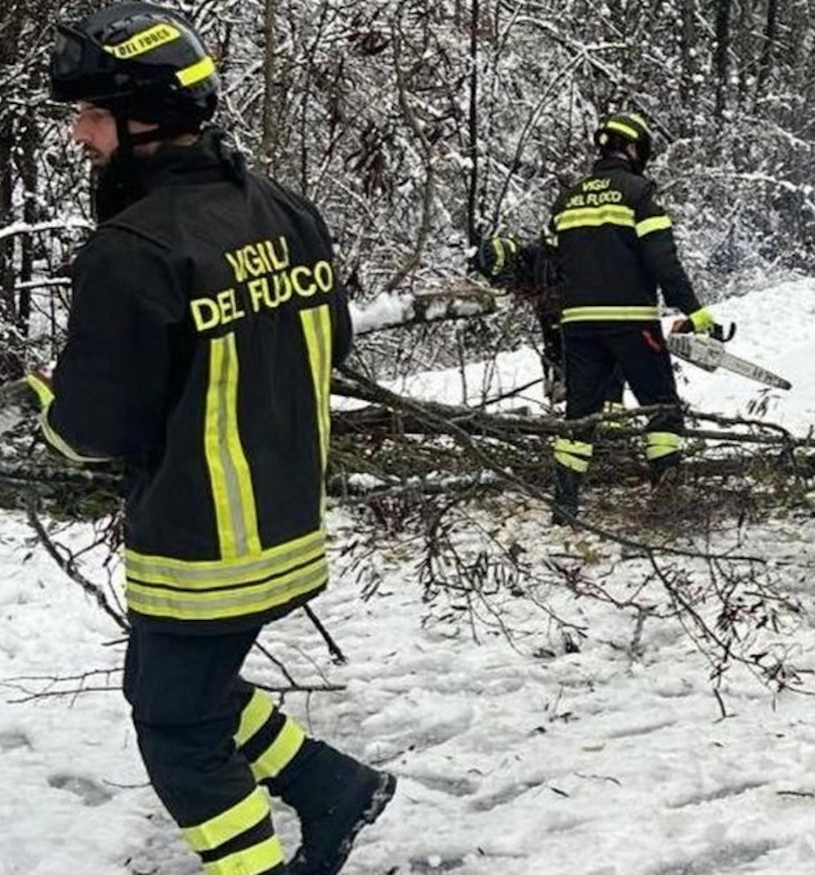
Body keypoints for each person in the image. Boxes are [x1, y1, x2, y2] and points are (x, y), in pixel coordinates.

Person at [33, 5, 396, 874]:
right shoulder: (284, 208)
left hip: (201, 546)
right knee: (182, 691)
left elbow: (93, 429)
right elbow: (329, 344)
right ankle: (331, 784)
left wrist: (45, 404)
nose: (78, 135)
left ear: (143, 118)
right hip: (283, 523)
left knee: (173, 726)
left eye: (90, 115)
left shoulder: (131, 249)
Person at [543, 110, 718, 525]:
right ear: (635, 148)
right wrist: (694, 311)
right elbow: (662, 259)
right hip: (631, 319)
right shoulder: (639, 193)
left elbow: (550, 263)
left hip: (578, 324)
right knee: (661, 408)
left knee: (580, 417)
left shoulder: (567, 198)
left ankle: (564, 507)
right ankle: (669, 503)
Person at [468, 233, 626, 410]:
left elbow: (585, 328)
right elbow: (552, 330)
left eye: (505, 282)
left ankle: (610, 410)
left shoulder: (552, 269)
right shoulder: (534, 276)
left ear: (512, 268)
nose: (509, 289)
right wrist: (553, 367)